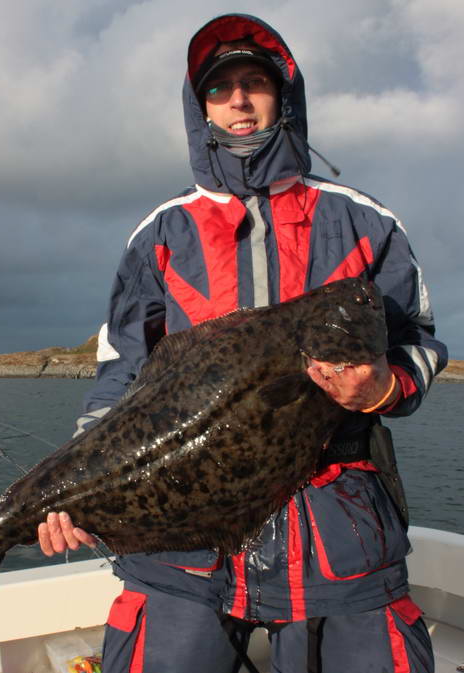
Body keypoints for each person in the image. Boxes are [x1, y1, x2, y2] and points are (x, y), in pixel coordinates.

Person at [38, 13, 448, 673]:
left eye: (253, 82)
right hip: (183, 547)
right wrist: (77, 488)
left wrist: (381, 386)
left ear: (283, 95)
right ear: (200, 108)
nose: (237, 99)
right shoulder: (160, 234)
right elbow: (121, 379)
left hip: (339, 530)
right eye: (220, 87)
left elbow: (420, 344)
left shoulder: (366, 222)